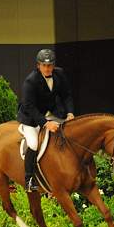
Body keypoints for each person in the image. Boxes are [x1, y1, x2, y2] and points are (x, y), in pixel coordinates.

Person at [17, 48, 75, 191]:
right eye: (44, 65)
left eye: (50, 65)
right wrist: (45, 123)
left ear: (53, 65)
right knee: (34, 144)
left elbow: (66, 95)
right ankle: (29, 180)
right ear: (38, 66)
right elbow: (29, 106)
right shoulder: (30, 81)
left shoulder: (59, 74)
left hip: (48, 112)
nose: (47, 68)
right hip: (30, 117)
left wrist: (70, 113)